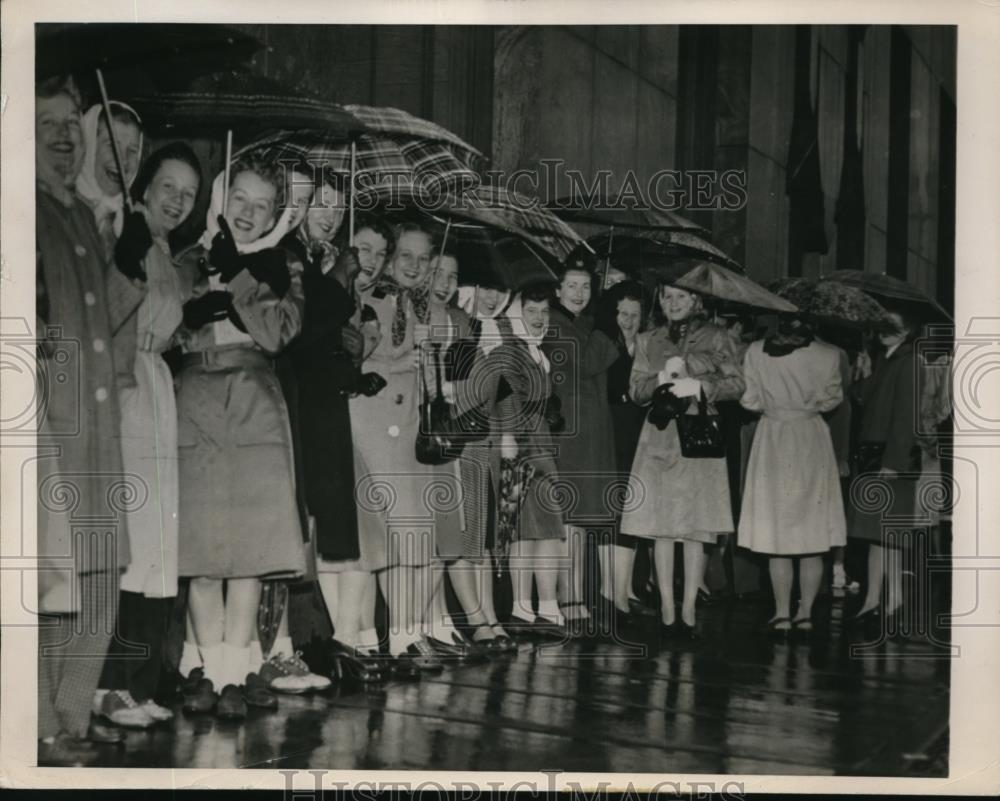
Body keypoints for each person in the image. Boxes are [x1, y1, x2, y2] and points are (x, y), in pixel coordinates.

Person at [35, 75, 146, 755]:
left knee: (100, 572)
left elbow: (102, 315)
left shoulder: (79, 213)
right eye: (47, 122)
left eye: (73, 122)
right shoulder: (17, 212)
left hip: (98, 429)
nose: (63, 135)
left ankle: (72, 720)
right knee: (51, 573)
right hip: (50, 426)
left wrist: (126, 262)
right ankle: (37, 725)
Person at [174, 153, 306, 719]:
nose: (248, 213)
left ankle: (231, 676)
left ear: (277, 214)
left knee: (248, 556)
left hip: (254, 406)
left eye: (262, 205)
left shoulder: (282, 265)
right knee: (203, 554)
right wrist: (190, 313)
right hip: (196, 401)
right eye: (239, 199)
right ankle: (205, 669)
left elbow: (279, 332)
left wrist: (240, 274)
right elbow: (160, 327)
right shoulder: (186, 257)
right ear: (219, 199)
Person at [93, 143, 202, 728]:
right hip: (125, 390)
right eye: (168, 188)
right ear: (144, 185)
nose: (178, 201)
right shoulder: (117, 230)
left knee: (156, 547)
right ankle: (107, 687)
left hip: (157, 392)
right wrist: (122, 259)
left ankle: (137, 683)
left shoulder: (162, 247)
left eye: (188, 194)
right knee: (127, 545)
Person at [287, 197, 392, 685]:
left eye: (335, 206)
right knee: (318, 532)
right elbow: (301, 334)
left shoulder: (333, 269)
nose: (327, 215)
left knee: (341, 536)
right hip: (305, 405)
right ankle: (323, 642)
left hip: (330, 402)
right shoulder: (301, 262)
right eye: (317, 204)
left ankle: (348, 640)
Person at [349, 221, 456, 676]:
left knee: (412, 539)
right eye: (405, 257)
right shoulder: (368, 301)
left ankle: (406, 633)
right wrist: (398, 362)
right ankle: (378, 639)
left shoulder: (431, 310)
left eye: (423, 259)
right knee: (382, 541)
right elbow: (356, 359)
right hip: (372, 427)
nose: (413, 267)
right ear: (391, 260)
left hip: (410, 431)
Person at [620, 282, 745, 639]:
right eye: (667, 296)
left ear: (696, 299)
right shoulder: (648, 339)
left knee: (695, 527)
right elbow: (636, 390)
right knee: (661, 527)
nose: (674, 303)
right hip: (659, 435)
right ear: (659, 300)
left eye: (682, 296)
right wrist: (661, 378)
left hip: (699, 435)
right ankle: (667, 608)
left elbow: (738, 384)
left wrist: (699, 385)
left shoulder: (717, 336)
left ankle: (688, 608)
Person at [738, 317, 847, 638]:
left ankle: (782, 613)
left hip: (772, 437)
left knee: (777, 534)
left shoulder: (756, 351)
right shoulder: (829, 354)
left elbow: (749, 399)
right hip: (811, 438)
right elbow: (833, 399)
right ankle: (806, 613)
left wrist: (775, 405)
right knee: (811, 533)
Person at [544, 251, 620, 633]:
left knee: (582, 521)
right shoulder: (555, 325)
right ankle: (567, 595)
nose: (579, 292)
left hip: (592, 431)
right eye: (571, 286)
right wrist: (607, 323)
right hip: (571, 433)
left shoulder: (584, 322)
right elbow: (589, 363)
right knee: (571, 519)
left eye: (586, 286)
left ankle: (575, 592)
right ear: (558, 290)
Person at [446, 282, 518, 653]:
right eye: (485, 288)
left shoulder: (498, 332)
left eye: (498, 291)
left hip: (488, 443)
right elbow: (448, 387)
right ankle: (475, 618)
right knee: (468, 535)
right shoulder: (457, 326)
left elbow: (504, 393)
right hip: (461, 440)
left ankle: (491, 616)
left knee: (487, 538)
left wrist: (508, 436)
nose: (492, 296)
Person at [848, 307, 924, 627]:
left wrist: (893, 463)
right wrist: (864, 370)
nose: (883, 329)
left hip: (890, 459)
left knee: (886, 535)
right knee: (878, 535)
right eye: (881, 323)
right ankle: (880, 601)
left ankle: (886, 601)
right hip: (876, 456)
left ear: (907, 330)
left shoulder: (908, 362)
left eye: (892, 324)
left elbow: (906, 418)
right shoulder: (888, 359)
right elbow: (862, 397)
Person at [593, 280, 647, 624]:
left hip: (638, 432)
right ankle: (607, 590)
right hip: (609, 428)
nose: (628, 320)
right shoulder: (605, 343)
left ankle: (623, 591)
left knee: (632, 510)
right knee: (609, 509)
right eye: (622, 313)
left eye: (634, 314)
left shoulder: (647, 345)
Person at [74, 101, 143, 256]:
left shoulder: (136, 225)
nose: (123, 160)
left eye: (132, 151)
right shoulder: (62, 213)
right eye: (112, 146)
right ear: (88, 145)